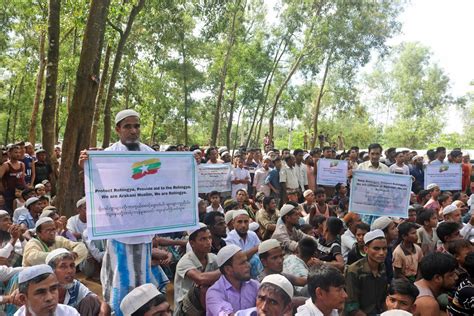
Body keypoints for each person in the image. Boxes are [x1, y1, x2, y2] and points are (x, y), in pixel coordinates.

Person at [79, 109, 169, 316]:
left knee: (142, 275)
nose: (133, 130)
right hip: (118, 230)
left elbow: (164, 181)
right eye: (127, 126)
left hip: (143, 228)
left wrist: (189, 164)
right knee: (119, 276)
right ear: (118, 129)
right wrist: (86, 165)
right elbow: (97, 185)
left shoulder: (149, 153)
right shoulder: (107, 155)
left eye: (136, 126)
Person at [46, 248, 110, 315]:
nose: (70, 271)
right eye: (63, 267)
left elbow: (101, 303)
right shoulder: (44, 291)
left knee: (91, 301)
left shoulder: (75, 285)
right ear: (52, 271)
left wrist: (103, 313)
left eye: (72, 266)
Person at [173, 223, 220, 314]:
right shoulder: (185, 261)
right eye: (203, 239)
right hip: (185, 309)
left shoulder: (213, 258)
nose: (208, 242)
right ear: (192, 243)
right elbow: (200, 278)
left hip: (206, 301)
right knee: (203, 287)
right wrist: (226, 270)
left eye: (209, 238)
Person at [345, 229, 388, 315]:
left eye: (384, 248)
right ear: (366, 249)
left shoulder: (382, 267)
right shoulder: (354, 271)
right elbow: (352, 307)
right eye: (376, 248)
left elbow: (383, 299)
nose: (381, 253)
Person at [206, 245, 259, 315]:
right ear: (228, 269)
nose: (249, 265)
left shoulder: (254, 285)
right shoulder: (214, 293)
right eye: (242, 263)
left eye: (247, 261)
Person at [15, 264, 80, 316]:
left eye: (53, 289)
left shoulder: (69, 313)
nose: (50, 298)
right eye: (40, 292)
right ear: (23, 299)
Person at [22, 217, 88, 267]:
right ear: (39, 233)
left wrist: (73, 255)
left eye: (53, 229)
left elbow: (80, 246)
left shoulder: (58, 240)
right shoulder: (33, 243)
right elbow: (33, 257)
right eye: (48, 230)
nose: (52, 233)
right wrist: (60, 256)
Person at [357, 143, 389, 225]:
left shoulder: (385, 169)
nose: (374, 156)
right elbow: (356, 186)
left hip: (380, 205)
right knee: (365, 227)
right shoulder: (361, 167)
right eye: (372, 154)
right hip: (365, 204)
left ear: (380, 154)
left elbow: (389, 187)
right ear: (368, 154)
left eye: (377, 154)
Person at [225, 210, 262, 279]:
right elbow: (238, 259)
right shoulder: (229, 239)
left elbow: (261, 253)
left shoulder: (252, 235)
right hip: (239, 275)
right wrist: (256, 248)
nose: (243, 225)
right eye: (239, 222)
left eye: (246, 221)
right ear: (233, 223)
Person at [371, 216, 398, 283]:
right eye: (393, 228)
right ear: (384, 233)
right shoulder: (376, 253)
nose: (397, 230)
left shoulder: (389, 248)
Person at [0, 144, 26, 212]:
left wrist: (25, 188)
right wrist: (2, 189)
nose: (18, 154)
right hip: (9, 193)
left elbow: (22, 178)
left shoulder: (22, 164)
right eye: (15, 152)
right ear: (9, 153)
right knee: (9, 211)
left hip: (20, 192)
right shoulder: (6, 165)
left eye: (19, 152)